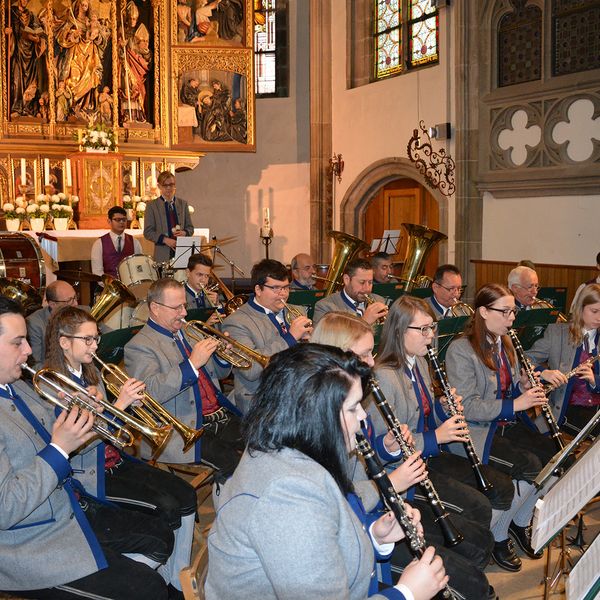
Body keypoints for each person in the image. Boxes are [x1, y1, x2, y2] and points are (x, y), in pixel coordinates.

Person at [205, 343, 449, 600]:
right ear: (316, 415)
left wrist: (374, 536)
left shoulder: (286, 454)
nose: (363, 417)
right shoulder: (287, 494)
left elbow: (317, 546)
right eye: (353, 408)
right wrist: (407, 594)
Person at [311, 312, 496, 600]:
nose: (372, 362)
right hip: (355, 528)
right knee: (467, 581)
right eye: (364, 355)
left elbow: (366, 455)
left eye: (372, 353)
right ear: (337, 359)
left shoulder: (353, 399)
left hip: (378, 516)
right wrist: (391, 483)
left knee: (471, 554)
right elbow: (330, 498)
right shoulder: (320, 423)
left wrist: (386, 447)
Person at [0, 295, 169, 600]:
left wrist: (77, 409)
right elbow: (5, 508)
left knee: (155, 552)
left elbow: (52, 430)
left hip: (69, 506)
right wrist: (59, 449)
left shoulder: (18, 387)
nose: (28, 350)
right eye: (18, 342)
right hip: (29, 544)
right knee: (149, 588)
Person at [43, 305, 197, 598]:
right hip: (90, 472)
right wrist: (120, 407)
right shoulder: (53, 384)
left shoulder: (91, 373)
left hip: (115, 460)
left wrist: (129, 408)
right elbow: (77, 446)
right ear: (63, 341)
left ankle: (178, 581)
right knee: (165, 507)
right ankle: (154, 582)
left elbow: (113, 430)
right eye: (87, 339)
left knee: (187, 495)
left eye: (96, 338)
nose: (95, 345)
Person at [445, 283, 559, 571]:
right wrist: (517, 404)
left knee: (557, 457)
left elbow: (505, 391)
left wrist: (521, 386)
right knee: (530, 465)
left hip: (505, 422)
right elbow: (468, 406)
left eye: (513, 311)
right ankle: (498, 538)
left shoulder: (505, 342)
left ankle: (519, 523)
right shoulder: (461, 349)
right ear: (483, 311)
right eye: (505, 312)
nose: (512, 318)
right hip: (476, 431)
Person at [124, 279, 243, 481]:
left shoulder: (191, 332)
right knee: (234, 464)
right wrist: (191, 365)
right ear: (155, 308)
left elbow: (220, 376)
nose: (185, 313)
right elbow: (150, 392)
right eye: (177, 307)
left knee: (265, 443)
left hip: (219, 415)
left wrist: (222, 358)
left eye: (185, 306)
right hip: (183, 428)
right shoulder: (139, 345)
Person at [221, 259, 312, 413]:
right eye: (275, 288)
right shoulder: (236, 322)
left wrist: (313, 343)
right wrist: (290, 338)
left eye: (286, 287)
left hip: (301, 396)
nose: (283, 294)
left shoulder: (297, 312)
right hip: (262, 404)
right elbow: (250, 370)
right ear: (258, 289)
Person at [526, 283, 600, 438]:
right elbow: (524, 358)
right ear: (581, 308)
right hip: (567, 407)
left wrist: (595, 381)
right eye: (594, 311)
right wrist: (543, 372)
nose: (599, 317)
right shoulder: (557, 334)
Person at [313, 258, 388, 325]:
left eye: (370, 282)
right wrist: (365, 322)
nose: (367, 289)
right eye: (362, 283)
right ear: (347, 280)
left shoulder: (379, 300)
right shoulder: (326, 307)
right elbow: (325, 339)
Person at [5, 0, 47, 118]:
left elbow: (41, 33)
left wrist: (38, 39)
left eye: (26, 0)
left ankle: (28, 109)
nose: (24, 1)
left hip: (30, 54)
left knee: (30, 81)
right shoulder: (10, 13)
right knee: (16, 80)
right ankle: (16, 108)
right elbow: (3, 26)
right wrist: (5, 31)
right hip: (17, 51)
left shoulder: (32, 16)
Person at [144, 171, 195, 263]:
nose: (168, 188)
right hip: (162, 254)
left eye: (171, 185)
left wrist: (184, 232)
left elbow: (190, 228)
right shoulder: (152, 206)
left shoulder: (183, 204)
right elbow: (148, 232)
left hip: (182, 252)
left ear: (175, 185)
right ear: (159, 187)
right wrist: (164, 240)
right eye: (165, 185)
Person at [91, 206, 143, 278]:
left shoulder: (134, 242)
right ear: (109, 221)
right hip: (108, 286)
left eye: (124, 219)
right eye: (118, 220)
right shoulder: (99, 243)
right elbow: (97, 271)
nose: (121, 222)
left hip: (130, 285)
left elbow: (139, 266)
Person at [184, 253, 223, 327]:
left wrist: (217, 305)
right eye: (199, 274)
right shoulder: (180, 297)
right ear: (188, 273)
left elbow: (223, 325)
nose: (203, 280)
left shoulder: (208, 296)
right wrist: (204, 325)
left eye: (206, 276)